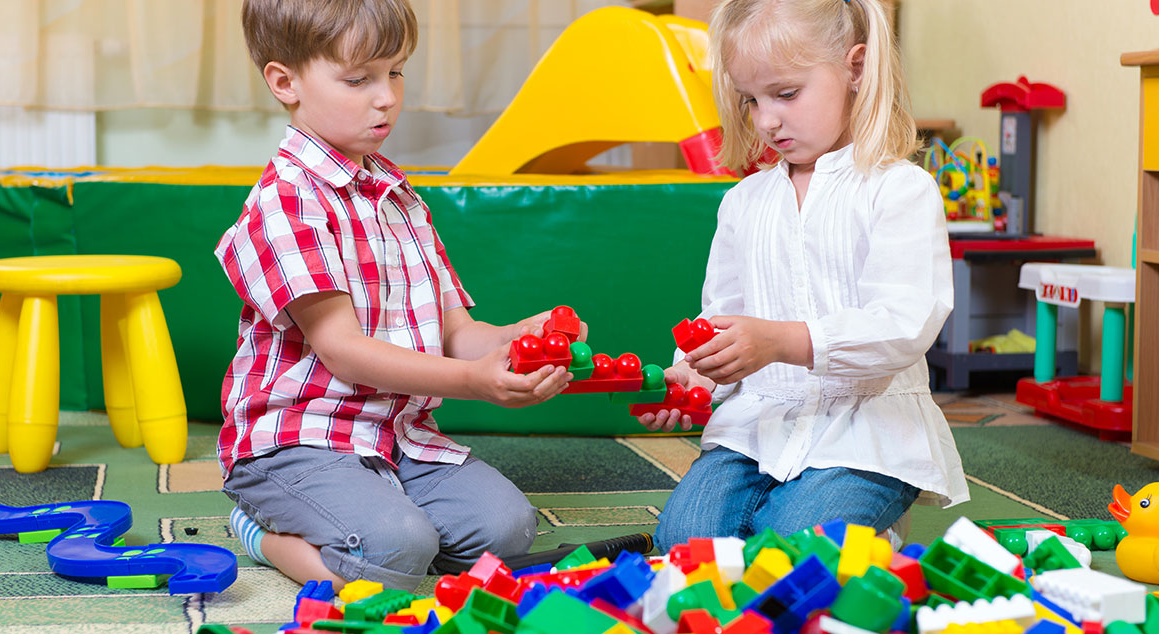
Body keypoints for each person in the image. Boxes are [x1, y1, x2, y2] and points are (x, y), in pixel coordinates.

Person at [215, 0, 577, 591]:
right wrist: (472, 383)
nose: (386, 96)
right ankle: (264, 534)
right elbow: (342, 350)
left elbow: (456, 331)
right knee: (393, 550)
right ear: (285, 83)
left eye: (395, 72)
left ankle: (374, 511)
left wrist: (520, 339)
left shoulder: (400, 200)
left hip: (397, 434)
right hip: (298, 440)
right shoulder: (285, 202)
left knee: (507, 531)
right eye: (358, 79)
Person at [638, 0, 968, 551]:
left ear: (855, 68)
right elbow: (719, 318)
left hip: (865, 432)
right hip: (755, 430)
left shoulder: (900, 189)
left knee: (793, 553)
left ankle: (873, 528)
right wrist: (694, 377)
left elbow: (905, 322)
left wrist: (786, 341)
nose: (766, 119)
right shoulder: (743, 202)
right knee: (682, 546)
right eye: (751, 100)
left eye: (786, 94)